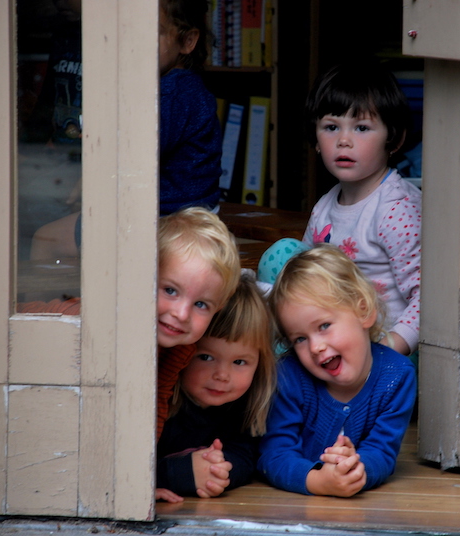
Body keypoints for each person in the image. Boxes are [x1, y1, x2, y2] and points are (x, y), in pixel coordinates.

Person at [29, 0, 222, 261]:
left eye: (153, 31)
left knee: (45, 240)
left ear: (188, 41)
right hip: (185, 218)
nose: (136, 41)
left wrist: (90, 180)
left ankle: (46, 305)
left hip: (168, 223)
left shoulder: (174, 93)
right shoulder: (181, 89)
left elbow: (133, 153)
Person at [258, 245, 417, 497]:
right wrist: (316, 481)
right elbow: (275, 454)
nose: (315, 346)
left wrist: (355, 470)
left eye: (323, 325)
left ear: (363, 311)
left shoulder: (396, 377)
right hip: (291, 508)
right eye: (299, 338)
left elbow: (382, 451)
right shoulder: (289, 376)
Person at [302, 60, 421, 357]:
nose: (343, 140)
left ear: (394, 139)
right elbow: (302, 278)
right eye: (331, 127)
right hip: (333, 345)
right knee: (285, 259)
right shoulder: (324, 207)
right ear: (316, 139)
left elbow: (427, 297)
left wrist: (393, 345)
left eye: (362, 128)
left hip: (388, 352)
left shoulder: (396, 209)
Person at [155, 274, 277, 503]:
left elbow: (245, 454)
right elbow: (127, 467)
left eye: (239, 362)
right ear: (181, 354)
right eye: (206, 357)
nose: (222, 375)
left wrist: (219, 469)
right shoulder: (161, 403)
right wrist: (178, 473)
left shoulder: (243, 404)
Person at [156, 207, 241, 444]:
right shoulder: (113, 332)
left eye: (201, 304)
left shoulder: (180, 348)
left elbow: (154, 408)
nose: (182, 314)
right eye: (170, 290)